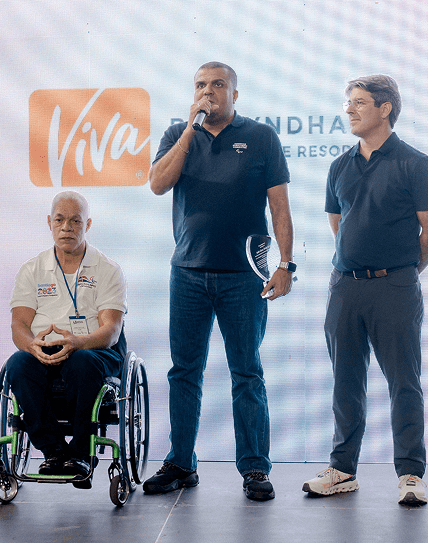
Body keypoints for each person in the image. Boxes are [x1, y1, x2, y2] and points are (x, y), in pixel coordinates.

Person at [143, 62, 294, 501]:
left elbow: (280, 207)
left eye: (217, 84)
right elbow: (157, 184)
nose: (208, 91)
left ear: (235, 94)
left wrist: (286, 264)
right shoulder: (178, 134)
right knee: (184, 372)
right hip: (188, 273)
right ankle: (180, 463)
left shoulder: (261, 137)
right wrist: (190, 131)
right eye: (200, 85)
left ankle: (254, 468)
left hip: (244, 277)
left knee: (247, 372)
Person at [302, 75, 428, 506]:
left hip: (395, 286)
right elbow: (338, 225)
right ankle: (342, 470)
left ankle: (410, 473)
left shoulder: (415, 164)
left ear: (385, 108)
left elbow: (427, 232)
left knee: (404, 382)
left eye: (359, 102)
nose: (349, 110)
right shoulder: (339, 166)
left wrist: (403, 270)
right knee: (345, 382)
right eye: (348, 103)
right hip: (344, 287)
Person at [6, 191, 127, 489]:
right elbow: (19, 324)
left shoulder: (107, 269)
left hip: (95, 350)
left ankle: (82, 453)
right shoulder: (32, 269)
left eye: (75, 221)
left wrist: (78, 342)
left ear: (88, 225)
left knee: (82, 362)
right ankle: (54, 452)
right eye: (59, 220)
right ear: (49, 222)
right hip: (46, 350)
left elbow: (111, 330)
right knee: (18, 363)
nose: (66, 228)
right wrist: (31, 345)